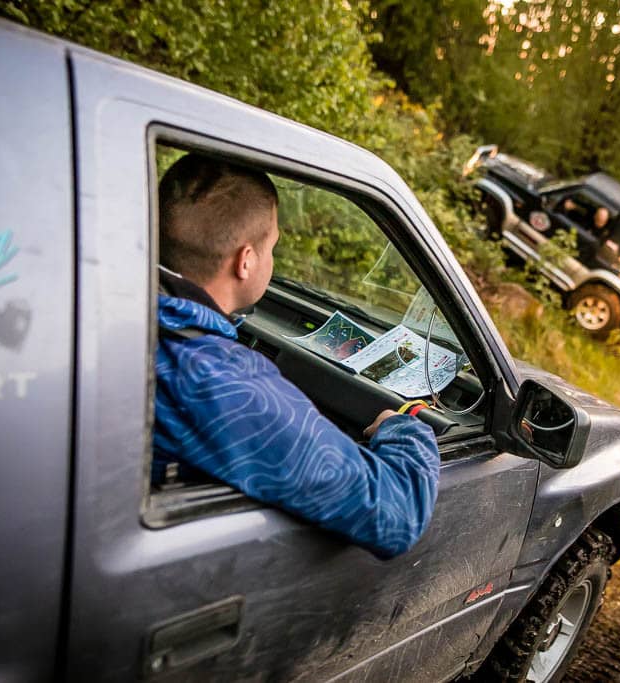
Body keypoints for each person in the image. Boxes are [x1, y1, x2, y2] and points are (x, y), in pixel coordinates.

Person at [152, 153, 440, 558]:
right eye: (272, 246)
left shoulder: (130, 305)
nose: (271, 257)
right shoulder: (220, 382)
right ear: (246, 261)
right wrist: (403, 430)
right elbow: (396, 512)